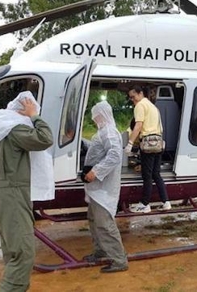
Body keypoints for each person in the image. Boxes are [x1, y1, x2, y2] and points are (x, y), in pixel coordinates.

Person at [0, 91, 54, 291]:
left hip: (6, 194)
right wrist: (34, 115)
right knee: (23, 254)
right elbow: (45, 138)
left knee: (12, 253)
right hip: (13, 194)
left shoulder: (2, 128)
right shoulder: (14, 129)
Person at [81, 100, 129, 273]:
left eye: (96, 117)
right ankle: (101, 251)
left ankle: (119, 260)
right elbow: (97, 148)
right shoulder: (103, 132)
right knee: (94, 222)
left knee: (104, 224)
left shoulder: (109, 131)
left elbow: (115, 155)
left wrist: (96, 171)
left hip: (103, 188)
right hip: (97, 189)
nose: (95, 120)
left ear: (102, 115)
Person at [124, 85, 171, 213]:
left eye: (133, 97)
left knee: (147, 175)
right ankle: (166, 201)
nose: (132, 100)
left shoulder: (140, 105)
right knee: (156, 174)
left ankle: (145, 204)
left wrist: (130, 143)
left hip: (148, 144)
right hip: (158, 143)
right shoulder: (153, 106)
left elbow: (138, 125)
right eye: (130, 98)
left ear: (140, 94)